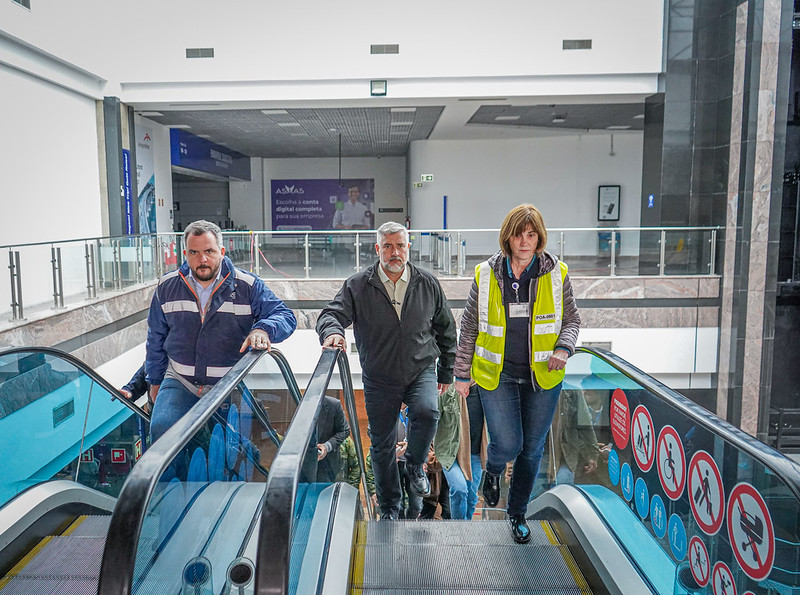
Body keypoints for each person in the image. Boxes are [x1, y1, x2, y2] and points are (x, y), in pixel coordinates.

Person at [453, 204, 581, 544]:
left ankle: (517, 514)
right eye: (518, 234)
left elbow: (572, 321)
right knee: (508, 442)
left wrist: (563, 349)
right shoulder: (485, 274)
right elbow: (468, 327)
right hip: (498, 374)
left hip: (543, 376)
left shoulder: (557, 273)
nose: (524, 241)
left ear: (538, 238)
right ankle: (493, 471)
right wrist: (462, 375)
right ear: (507, 237)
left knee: (532, 449)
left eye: (531, 234)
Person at [316, 221, 457, 520]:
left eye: (401, 246)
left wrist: (446, 372)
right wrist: (332, 332)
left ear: (409, 248)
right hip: (380, 377)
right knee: (381, 445)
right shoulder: (358, 285)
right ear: (378, 249)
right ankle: (391, 508)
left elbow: (446, 329)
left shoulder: (427, 283)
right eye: (389, 246)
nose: (395, 252)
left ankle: (415, 464)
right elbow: (331, 314)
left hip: (421, 368)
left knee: (428, 411)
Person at [146, 219, 297, 444]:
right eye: (194, 253)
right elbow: (156, 338)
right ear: (185, 253)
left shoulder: (247, 285)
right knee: (161, 433)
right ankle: (171, 481)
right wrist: (155, 382)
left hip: (228, 387)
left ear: (222, 251)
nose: (202, 259)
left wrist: (263, 330)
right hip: (180, 381)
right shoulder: (167, 286)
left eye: (209, 251)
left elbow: (286, 317)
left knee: (230, 448)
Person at [434, 382, 487, 520]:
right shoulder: (448, 390)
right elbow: (432, 418)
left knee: (471, 496)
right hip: (450, 453)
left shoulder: (487, 391)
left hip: (475, 454)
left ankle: (466, 527)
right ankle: (458, 529)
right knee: (459, 489)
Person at [316, 395, 350, 482]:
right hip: (303, 465)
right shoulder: (298, 402)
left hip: (326, 465)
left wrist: (327, 446)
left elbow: (344, 431)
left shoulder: (333, 405)